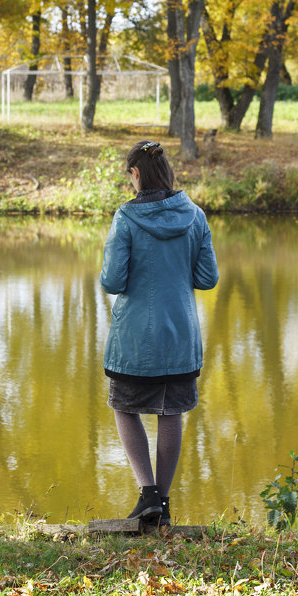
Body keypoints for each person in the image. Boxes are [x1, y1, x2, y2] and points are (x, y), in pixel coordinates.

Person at [100, 140, 219, 525]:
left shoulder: (126, 217)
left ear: (135, 174)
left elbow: (113, 281)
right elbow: (207, 277)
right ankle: (162, 504)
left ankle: (147, 494)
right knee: (171, 412)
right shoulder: (195, 215)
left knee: (124, 407)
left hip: (135, 340)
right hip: (180, 337)